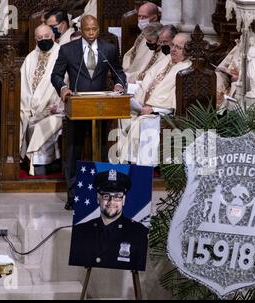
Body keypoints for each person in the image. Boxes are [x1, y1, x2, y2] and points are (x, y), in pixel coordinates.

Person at [51, 15, 126, 210]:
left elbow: (118, 71)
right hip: (77, 106)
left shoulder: (108, 49)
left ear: (98, 27)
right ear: (81, 29)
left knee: (101, 149)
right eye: (87, 29)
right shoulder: (68, 50)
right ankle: (74, 196)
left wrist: (119, 84)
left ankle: (100, 193)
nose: (91, 33)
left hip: (101, 107)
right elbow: (56, 75)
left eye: (94, 29)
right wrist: (63, 89)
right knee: (74, 150)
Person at [119, 33, 192, 166]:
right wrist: (137, 101)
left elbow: (176, 99)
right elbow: (147, 79)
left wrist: (153, 109)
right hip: (142, 107)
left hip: (161, 113)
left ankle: (144, 167)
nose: (173, 49)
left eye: (179, 47)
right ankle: (124, 163)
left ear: (187, 51)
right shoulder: (166, 59)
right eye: (172, 45)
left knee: (144, 122)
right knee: (121, 116)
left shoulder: (187, 69)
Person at [69, 169, 149, 271]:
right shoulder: (80, 231)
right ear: (98, 198)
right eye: (106, 196)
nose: (111, 201)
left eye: (117, 197)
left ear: (123, 200)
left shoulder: (139, 233)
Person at [20, 25, 63, 176]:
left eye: (46, 37)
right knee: (18, 116)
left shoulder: (62, 54)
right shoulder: (31, 57)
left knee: (45, 125)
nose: (44, 40)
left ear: (53, 36)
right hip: (30, 107)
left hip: (53, 108)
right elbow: (23, 85)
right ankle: (18, 158)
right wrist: (27, 107)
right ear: (35, 39)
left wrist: (55, 105)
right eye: (40, 38)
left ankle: (42, 164)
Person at [122, 2, 160, 75]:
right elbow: (130, 54)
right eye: (139, 16)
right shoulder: (143, 34)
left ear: (154, 18)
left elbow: (150, 63)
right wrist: (126, 68)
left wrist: (133, 75)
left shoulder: (157, 36)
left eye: (144, 17)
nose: (141, 20)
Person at [216, 36, 243, 107]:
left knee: (236, 85)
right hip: (229, 77)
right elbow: (224, 64)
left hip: (242, 81)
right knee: (217, 76)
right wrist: (223, 70)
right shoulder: (238, 47)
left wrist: (240, 78)